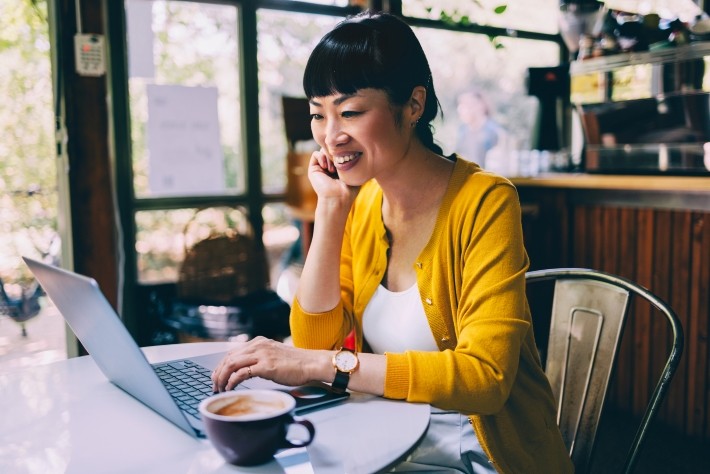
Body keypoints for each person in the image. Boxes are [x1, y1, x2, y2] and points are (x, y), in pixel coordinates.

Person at [211, 10, 573, 473]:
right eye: (318, 115)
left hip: (479, 453)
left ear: (413, 105)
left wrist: (327, 367)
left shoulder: (486, 201)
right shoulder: (363, 203)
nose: (330, 135)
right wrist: (330, 208)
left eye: (350, 111)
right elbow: (314, 338)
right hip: (389, 439)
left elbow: (486, 378)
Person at [455, 87, 506, 169]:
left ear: (480, 105)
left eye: (465, 104)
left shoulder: (494, 132)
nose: (460, 109)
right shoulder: (462, 131)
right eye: (460, 105)